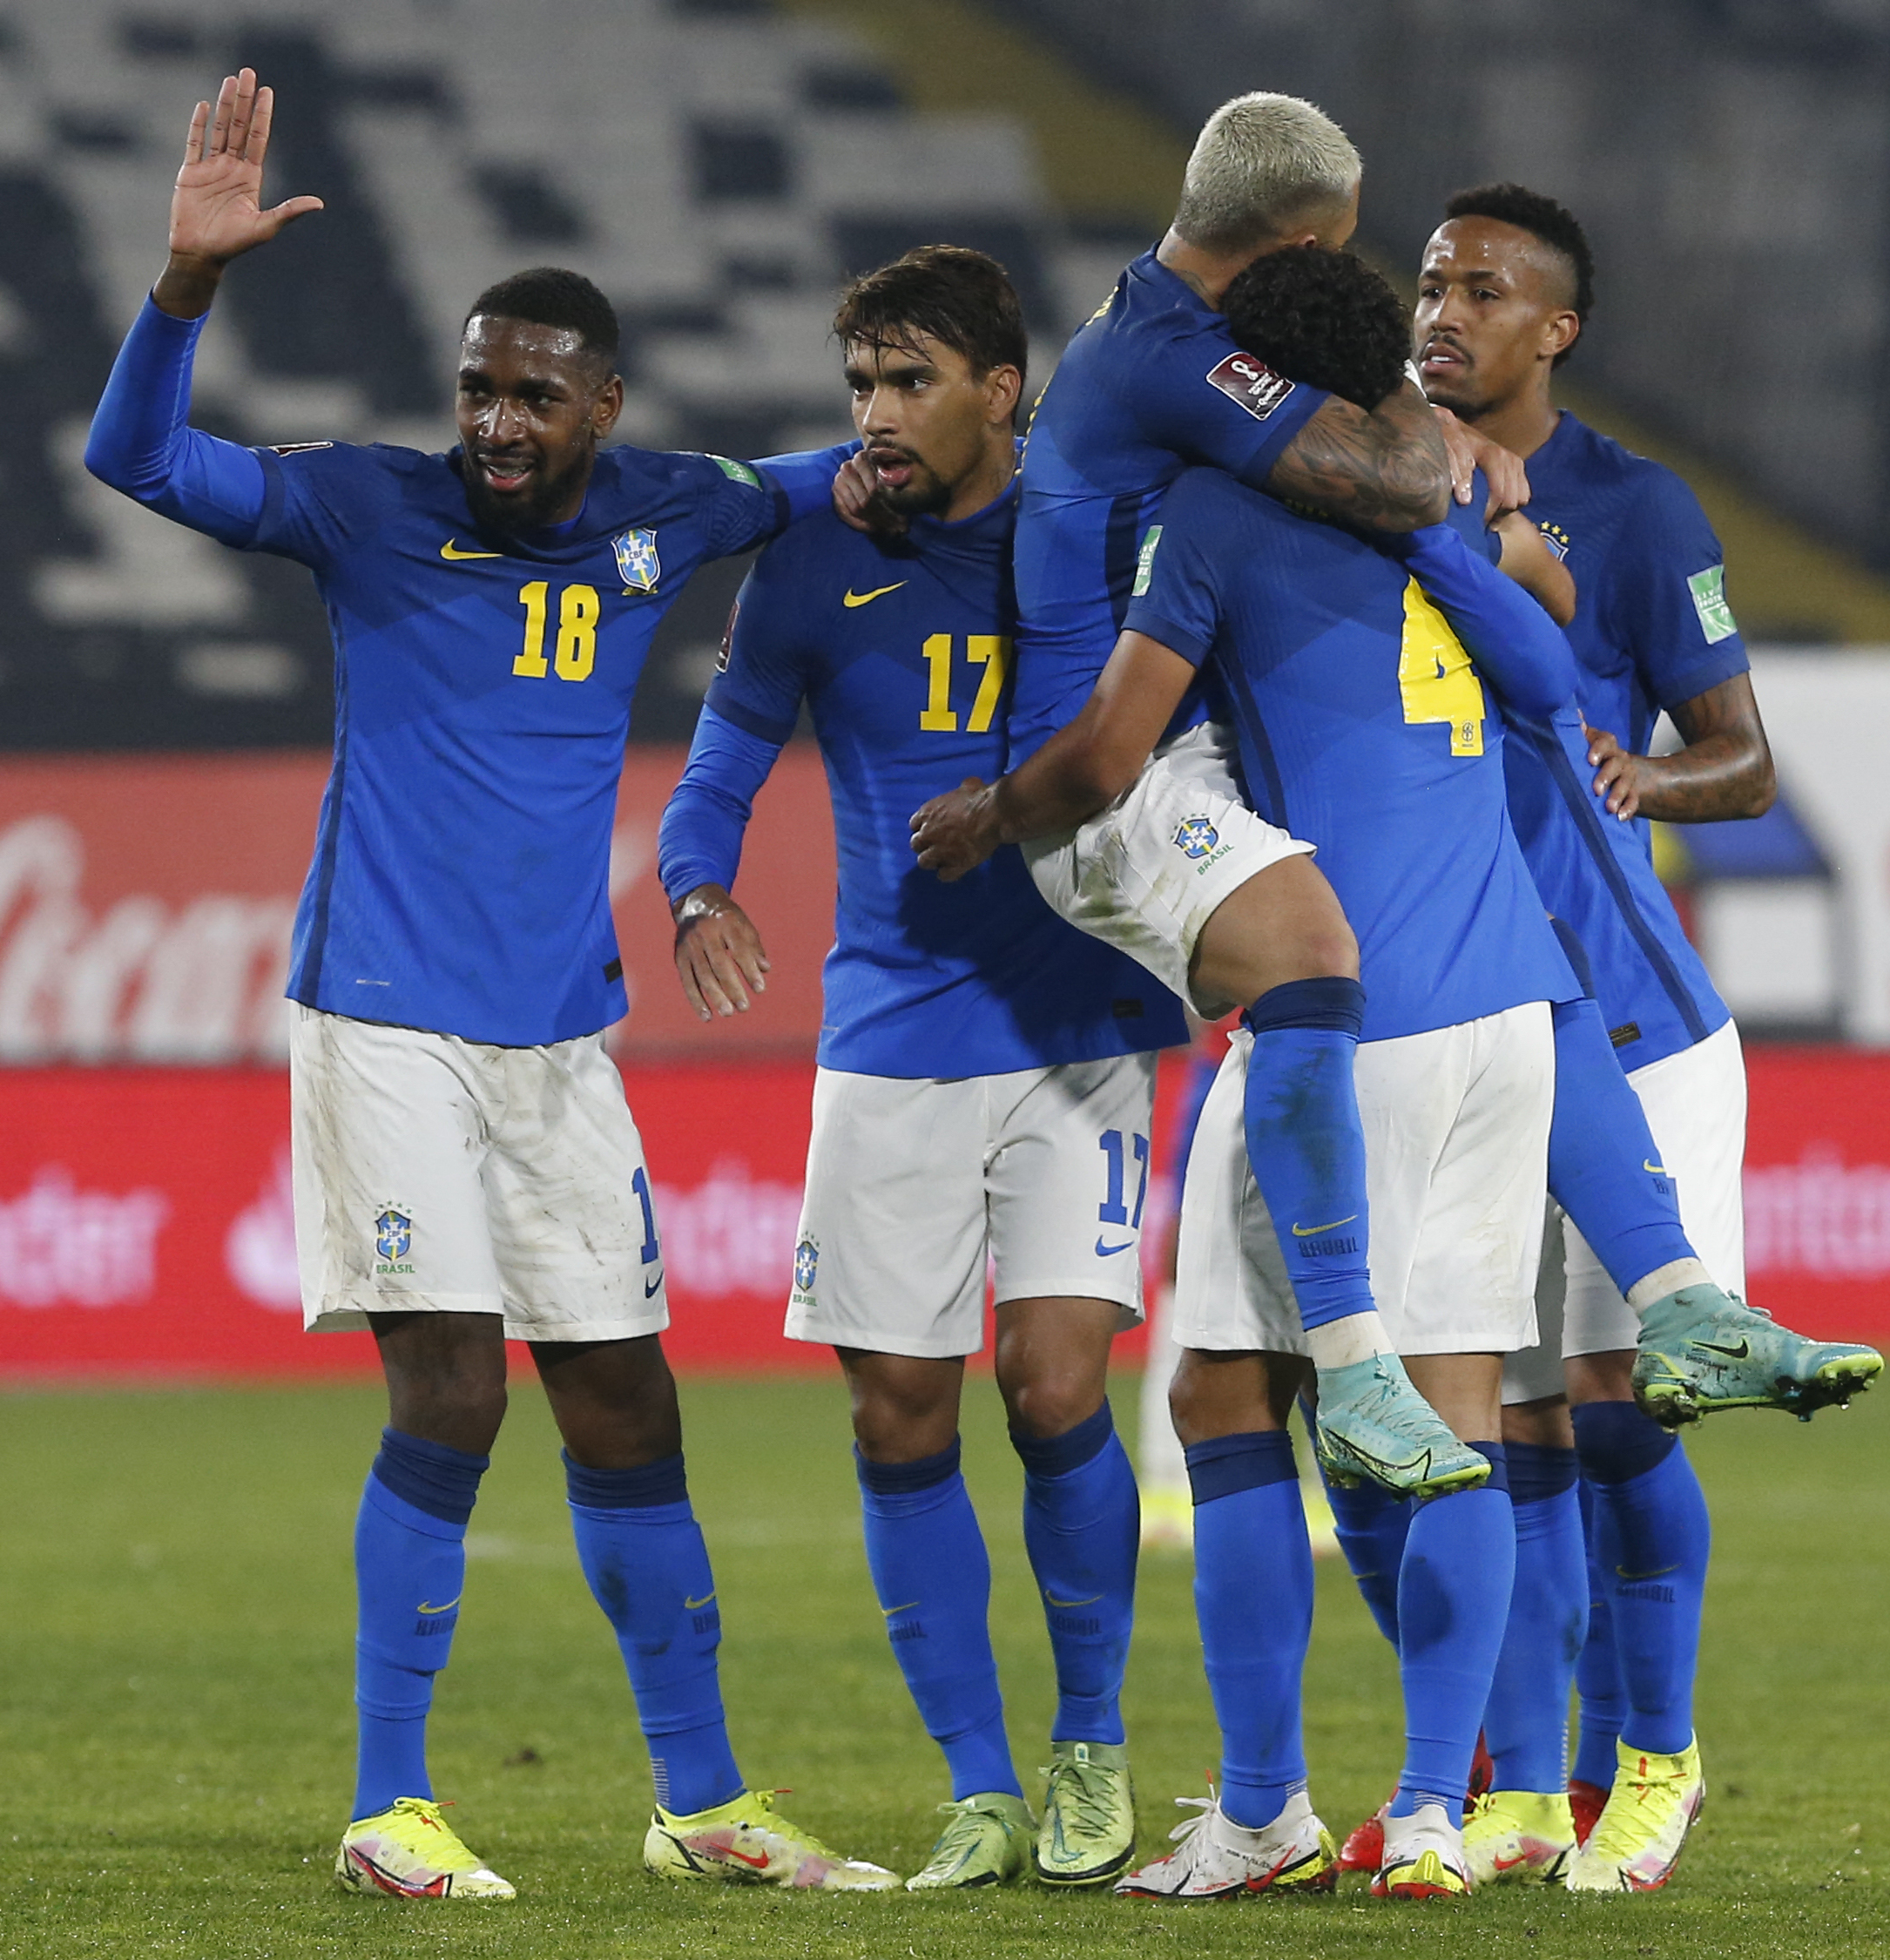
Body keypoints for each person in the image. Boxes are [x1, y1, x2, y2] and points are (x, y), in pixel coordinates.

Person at [83, 71, 891, 1900]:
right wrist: (184, 288)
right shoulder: (363, 508)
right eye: (476, 386)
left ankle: (701, 1806)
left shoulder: (667, 513)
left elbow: (823, 481)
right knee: (450, 1395)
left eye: (533, 393)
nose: (496, 420)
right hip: (379, 1020)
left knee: (626, 1405)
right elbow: (132, 462)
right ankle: (389, 1804)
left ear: (602, 406)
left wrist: (946, 449)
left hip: (556, 1042)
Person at [978, 241, 1590, 1903]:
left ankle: (1260, 1811)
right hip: (1503, 1019)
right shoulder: (1435, 509)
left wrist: (994, 811)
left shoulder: (1227, 514)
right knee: (1460, 1414)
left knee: (1227, 1399)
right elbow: (1550, 686)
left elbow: (1118, 747)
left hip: (1352, 1007)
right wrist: (1466, 542)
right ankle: (1440, 1818)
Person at [910, 93, 1524, 1506]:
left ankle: (1273, 1364)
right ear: (1300, 242)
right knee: (1312, 955)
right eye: (1338, 260)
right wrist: (1408, 391)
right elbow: (1404, 477)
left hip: (1172, 763)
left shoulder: (1157, 334)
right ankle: (1362, 1366)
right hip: (1107, 784)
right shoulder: (1173, 358)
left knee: (1319, 1011)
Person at [658, 246, 1182, 1891]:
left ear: (1001, 390)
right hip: (889, 1035)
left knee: (1055, 1388)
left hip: (1077, 1025)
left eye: (909, 383)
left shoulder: (1095, 529)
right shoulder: (814, 560)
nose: (876, 417)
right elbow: (723, 756)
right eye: (860, 387)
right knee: (898, 1415)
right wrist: (696, 882)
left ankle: (1088, 1745)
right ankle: (979, 1784)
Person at [1409, 180, 1881, 1893]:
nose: (1441, 308)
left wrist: (1635, 772)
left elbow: (1737, 761)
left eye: (1483, 288)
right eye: (1429, 279)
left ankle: (1656, 1763)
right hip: (1475, 1029)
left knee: (1614, 1411)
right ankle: (1530, 1789)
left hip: (1632, 1024)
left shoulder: (1629, 505)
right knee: (1512, 1424)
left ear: (1556, 331)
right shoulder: (1367, 488)